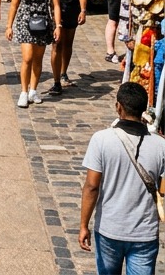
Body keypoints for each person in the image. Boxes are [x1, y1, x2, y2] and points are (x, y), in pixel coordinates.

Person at [79, 81, 165, 274]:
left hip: (110, 229)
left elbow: (92, 187)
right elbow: (163, 189)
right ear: (143, 110)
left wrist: (83, 225)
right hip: (144, 232)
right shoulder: (161, 146)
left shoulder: (101, 140)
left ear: (119, 106)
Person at [5, 0, 60, 107]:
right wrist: (9, 25)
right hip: (25, 23)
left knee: (38, 59)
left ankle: (33, 90)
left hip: (43, 25)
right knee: (27, 58)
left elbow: (55, 5)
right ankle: (23, 91)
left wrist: (58, 25)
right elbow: (14, 4)